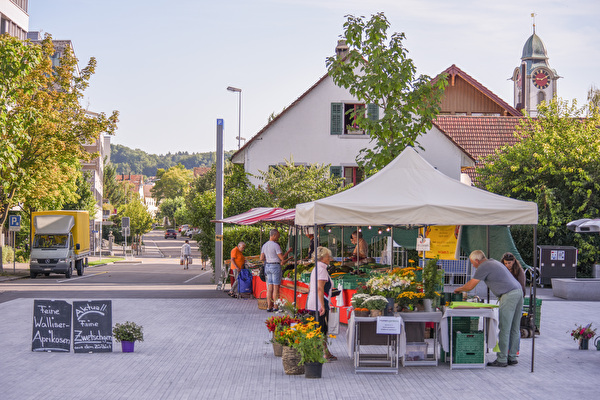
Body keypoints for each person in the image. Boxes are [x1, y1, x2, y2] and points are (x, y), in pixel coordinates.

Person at [454, 250, 523, 367]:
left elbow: (471, 285)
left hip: (508, 295)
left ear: (477, 260)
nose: (473, 266)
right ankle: (512, 357)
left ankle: (502, 359)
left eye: (472, 263)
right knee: (515, 328)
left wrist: (459, 289)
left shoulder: (483, 266)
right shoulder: (493, 262)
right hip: (519, 291)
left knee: (505, 328)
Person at [306, 246, 337, 361]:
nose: (329, 258)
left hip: (314, 302)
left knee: (320, 328)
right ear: (323, 257)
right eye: (328, 256)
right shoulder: (321, 269)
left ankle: (325, 352)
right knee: (320, 329)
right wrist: (322, 305)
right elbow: (320, 288)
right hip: (319, 303)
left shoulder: (317, 268)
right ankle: (318, 353)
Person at [260, 229, 292, 312]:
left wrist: (269, 258)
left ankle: (268, 307)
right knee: (276, 288)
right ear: (274, 235)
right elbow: (282, 258)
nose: (278, 237)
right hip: (275, 266)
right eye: (278, 235)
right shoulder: (275, 245)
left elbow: (261, 258)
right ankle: (275, 306)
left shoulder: (264, 245)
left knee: (269, 287)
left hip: (267, 266)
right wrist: (288, 256)